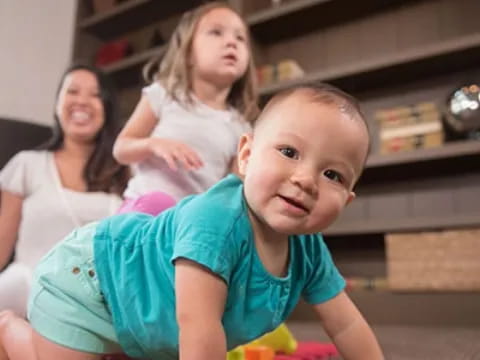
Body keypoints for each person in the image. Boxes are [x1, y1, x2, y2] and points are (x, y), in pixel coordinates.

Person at [0, 84, 384, 360]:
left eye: (333, 175)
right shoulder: (215, 221)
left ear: (347, 199)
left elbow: (346, 326)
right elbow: (198, 326)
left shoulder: (308, 251)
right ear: (247, 155)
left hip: (139, 321)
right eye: (289, 152)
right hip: (86, 282)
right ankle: (10, 330)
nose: (305, 179)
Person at [0, 63, 130, 318]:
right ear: (57, 103)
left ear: (107, 109)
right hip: (24, 291)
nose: (82, 101)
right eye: (72, 91)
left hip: (93, 303)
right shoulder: (27, 164)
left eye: (95, 95)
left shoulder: (126, 173)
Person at [112, 1, 258, 216]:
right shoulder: (164, 95)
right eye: (216, 32)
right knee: (157, 202)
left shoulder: (240, 127)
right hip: (141, 210)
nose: (231, 42)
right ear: (188, 53)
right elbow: (121, 149)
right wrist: (154, 145)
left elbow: (235, 190)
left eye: (240, 38)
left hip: (189, 221)